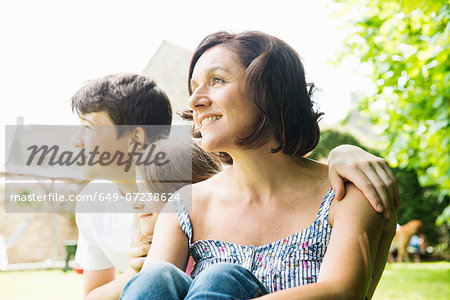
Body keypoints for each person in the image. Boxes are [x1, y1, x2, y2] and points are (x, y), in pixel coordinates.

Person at [120, 31, 397, 300]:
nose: (194, 101)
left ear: (269, 90)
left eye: (216, 80)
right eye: (193, 89)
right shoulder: (185, 206)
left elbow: (342, 292)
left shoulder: (344, 192)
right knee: (155, 276)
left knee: (220, 278)